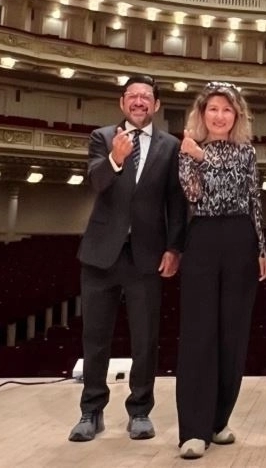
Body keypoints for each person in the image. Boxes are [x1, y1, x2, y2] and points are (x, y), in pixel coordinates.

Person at [68, 74, 187, 443]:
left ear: (156, 106)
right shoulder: (101, 138)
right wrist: (115, 161)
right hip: (101, 254)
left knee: (145, 339)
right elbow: (97, 183)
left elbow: (176, 201)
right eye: (132, 96)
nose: (139, 102)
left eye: (146, 97)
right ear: (122, 103)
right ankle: (91, 411)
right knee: (95, 338)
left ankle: (140, 411)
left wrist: (174, 247)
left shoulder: (170, 145)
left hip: (147, 256)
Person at [176, 82, 266, 460]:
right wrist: (197, 158)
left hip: (241, 236)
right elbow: (198, 194)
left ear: (237, 116)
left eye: (226, 110)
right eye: (212, 109)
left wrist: (262, 249)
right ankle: (193, 429)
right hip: (203, 236)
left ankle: (218, 420)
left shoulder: (246, 152)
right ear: (202, 114)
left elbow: (251, 199)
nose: (219, 116)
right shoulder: (187, 150)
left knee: (234, 333)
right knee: (199, 334)